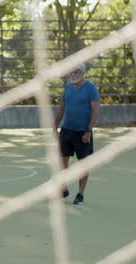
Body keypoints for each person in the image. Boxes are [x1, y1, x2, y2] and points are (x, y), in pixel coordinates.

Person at [54, 63, 100, 205]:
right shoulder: (68, 87)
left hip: (82, 132)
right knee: (62, 160)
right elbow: (62, 110)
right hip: (67, 130)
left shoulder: (90, 88)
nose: (73, 74)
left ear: (82, 72)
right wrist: (54, 126)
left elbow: (95, 112)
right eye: (71, 71)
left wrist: (88, 130)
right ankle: (64, 190)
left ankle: (80, 194)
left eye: (76, 71)